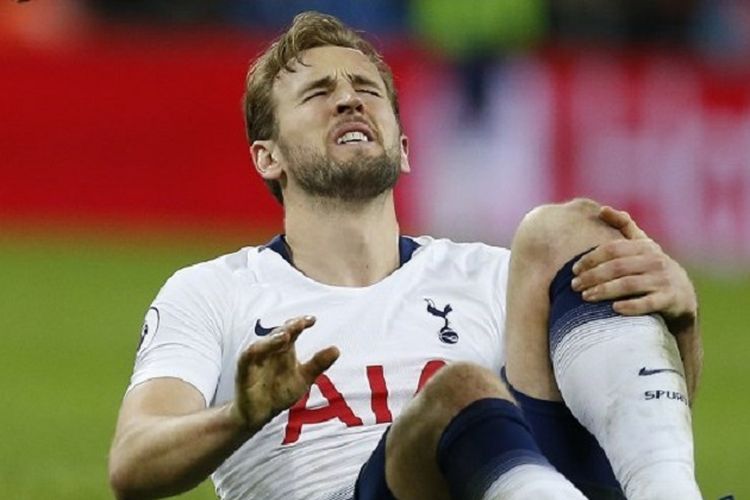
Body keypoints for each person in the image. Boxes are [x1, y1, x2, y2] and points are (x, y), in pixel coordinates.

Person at [108, 12, 702, 500]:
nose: (348, 101)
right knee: (460, 391)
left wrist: (680, 321)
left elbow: (627, 419)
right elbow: (133, 463)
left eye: (366, 90)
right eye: (319, 93)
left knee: (569, 230)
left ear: (405, 148)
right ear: (268, 158)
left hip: (532, 486)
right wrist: (239, 415)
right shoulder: (214, 291)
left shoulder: (491, 279)